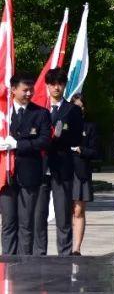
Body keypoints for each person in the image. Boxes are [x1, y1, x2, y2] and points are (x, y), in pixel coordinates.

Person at [33, 68, 83, 255]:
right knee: (39, 215)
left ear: (64, 85)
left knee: (63, 215)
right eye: (52, 84)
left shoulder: (73, 110)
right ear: (46, 86)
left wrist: (60, 136)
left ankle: (64, 254)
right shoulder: (38, 109)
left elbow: (78, 138)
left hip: (62, 166)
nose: (56, 87)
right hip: (41, 166)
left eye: (60, 83)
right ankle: (39, 254)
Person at [0, 74, 50, 255]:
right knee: (8, 223)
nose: (29, 93)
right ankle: (7, 263)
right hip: (6, 175)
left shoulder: (41, 113)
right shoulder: (3, 114)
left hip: (30, 174)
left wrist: (19, 144)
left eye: (31, 90)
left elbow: (44, 141)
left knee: (26, 223)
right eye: (25, 90)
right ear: (13, 90)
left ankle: (24, 265)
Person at [69, 93, 98, 256]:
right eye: (75, 107)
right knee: (65, 211)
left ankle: (76, 248)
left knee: (79, 211)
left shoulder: (90, 127)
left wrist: (82, 150)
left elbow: (95, 151)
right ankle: (66, 246)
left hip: (81, 171)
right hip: (65, 171)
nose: (78, 110)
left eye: (81, 107)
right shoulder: (63, 124)